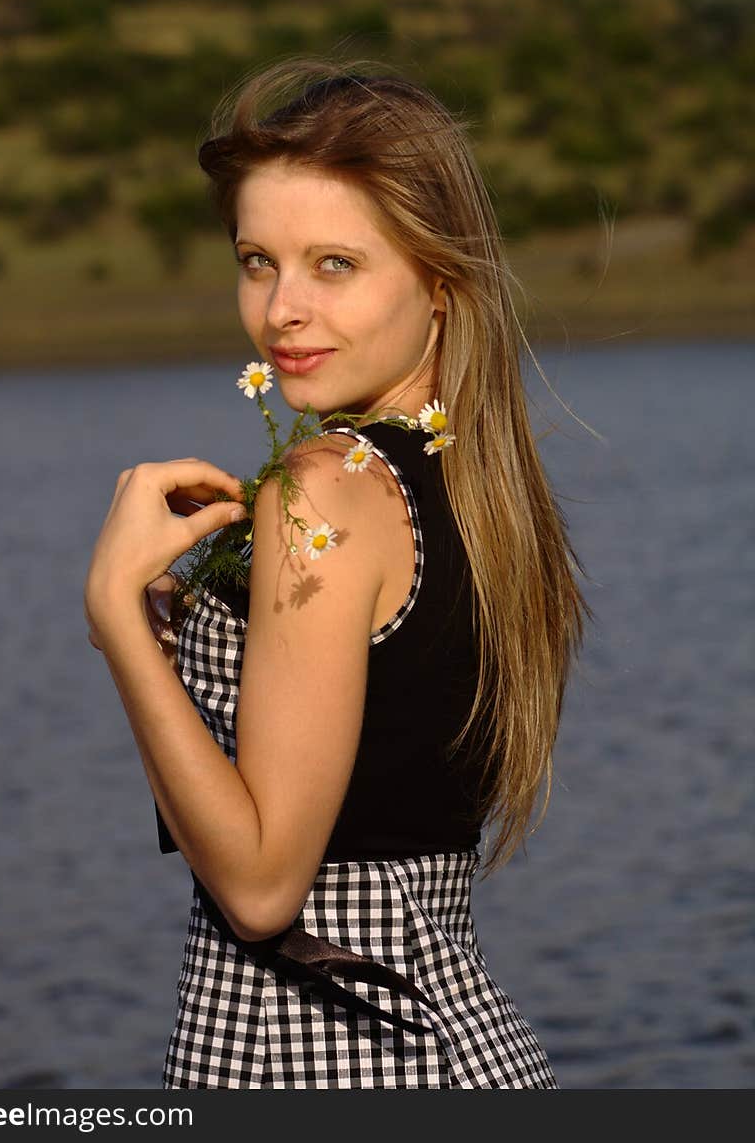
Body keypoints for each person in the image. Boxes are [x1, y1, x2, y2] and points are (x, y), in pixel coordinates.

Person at [84, 58, 592, 1089]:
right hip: (446, 1032)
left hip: (326, 1053)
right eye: (258, 260)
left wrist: (114, 619)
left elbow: (265, 888)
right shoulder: (476, 482)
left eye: (334, 265)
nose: (282, 310)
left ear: (440, 280)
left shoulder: (321, 489)